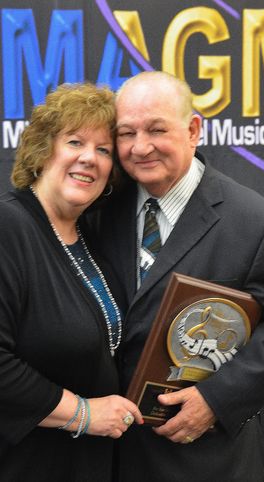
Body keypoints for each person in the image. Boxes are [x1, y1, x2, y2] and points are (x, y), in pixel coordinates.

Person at [85, 71, 264, 482]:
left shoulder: (255, 222)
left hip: (199, 458)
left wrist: (216, 400)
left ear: (193, 130)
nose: (140, 147)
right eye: (126, 133)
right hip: (104, 455)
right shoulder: (97, 209)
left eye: (157, 129)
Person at [0, 82, 143, 482]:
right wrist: (83, 414)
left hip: (90, 463)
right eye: (75, 142)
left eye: (103, 150)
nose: (89, 159)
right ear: (43, 150)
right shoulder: (9, 227)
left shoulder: (89, 238)